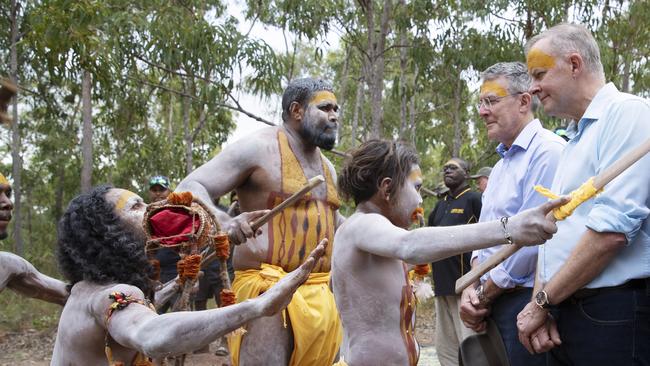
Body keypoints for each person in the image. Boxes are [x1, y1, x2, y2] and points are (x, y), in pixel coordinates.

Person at [331, 139, 567, 366]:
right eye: (417, 188)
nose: (420, 199)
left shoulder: (375, 238)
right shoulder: (359, 225)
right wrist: (510, 228)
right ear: (387, 188)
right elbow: (410, 245)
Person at [51, 185, 327, 365]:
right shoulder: (111, 296)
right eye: (136, 207)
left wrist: (176, 284)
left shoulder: (83, 290)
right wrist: (257, 306)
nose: (150, 209)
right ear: (106, 232)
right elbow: (150, 334)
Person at [176, 77, 344, 365]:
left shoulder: (328, 167)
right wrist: (224, 220)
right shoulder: (256, 148)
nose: (334, 116)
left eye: (337, 110)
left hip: (321, 294)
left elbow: (332, 220)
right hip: (267, 293)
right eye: (325, 108)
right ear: (297, 111)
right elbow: (188, 188)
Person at [515, 23, 650, 365]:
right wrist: (543, 305)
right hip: (567, 309)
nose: (533, 87)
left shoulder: (626, 114)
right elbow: (554, 238)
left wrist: (541, 303)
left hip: (612, 313)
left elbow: (611, 233)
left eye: (540, 73)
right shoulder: (573, 140)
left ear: (574, 65)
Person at [459, 61, 566, 366]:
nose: (482, 111)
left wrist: (483, 293)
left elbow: (534, 241)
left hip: (526, 303)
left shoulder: (547, 153)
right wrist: (472, 286)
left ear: (523, 101)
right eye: (480, 102)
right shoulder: (503, 164)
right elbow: (486, 234)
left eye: (491, 101)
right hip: (494, 301)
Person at [428, 157, 482, 366]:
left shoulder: (474, 199)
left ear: (467, 174)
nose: (447, 171)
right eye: (445, 168)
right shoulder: (441, 205)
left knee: (471, 347)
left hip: (465, 289)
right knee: (446, 350)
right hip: (442, 288)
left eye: (453, 168)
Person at [0, 172, 67, 305]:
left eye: (7, 194)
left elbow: (71, 296)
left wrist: (113, 295)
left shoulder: (6, 265)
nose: (8, 203)